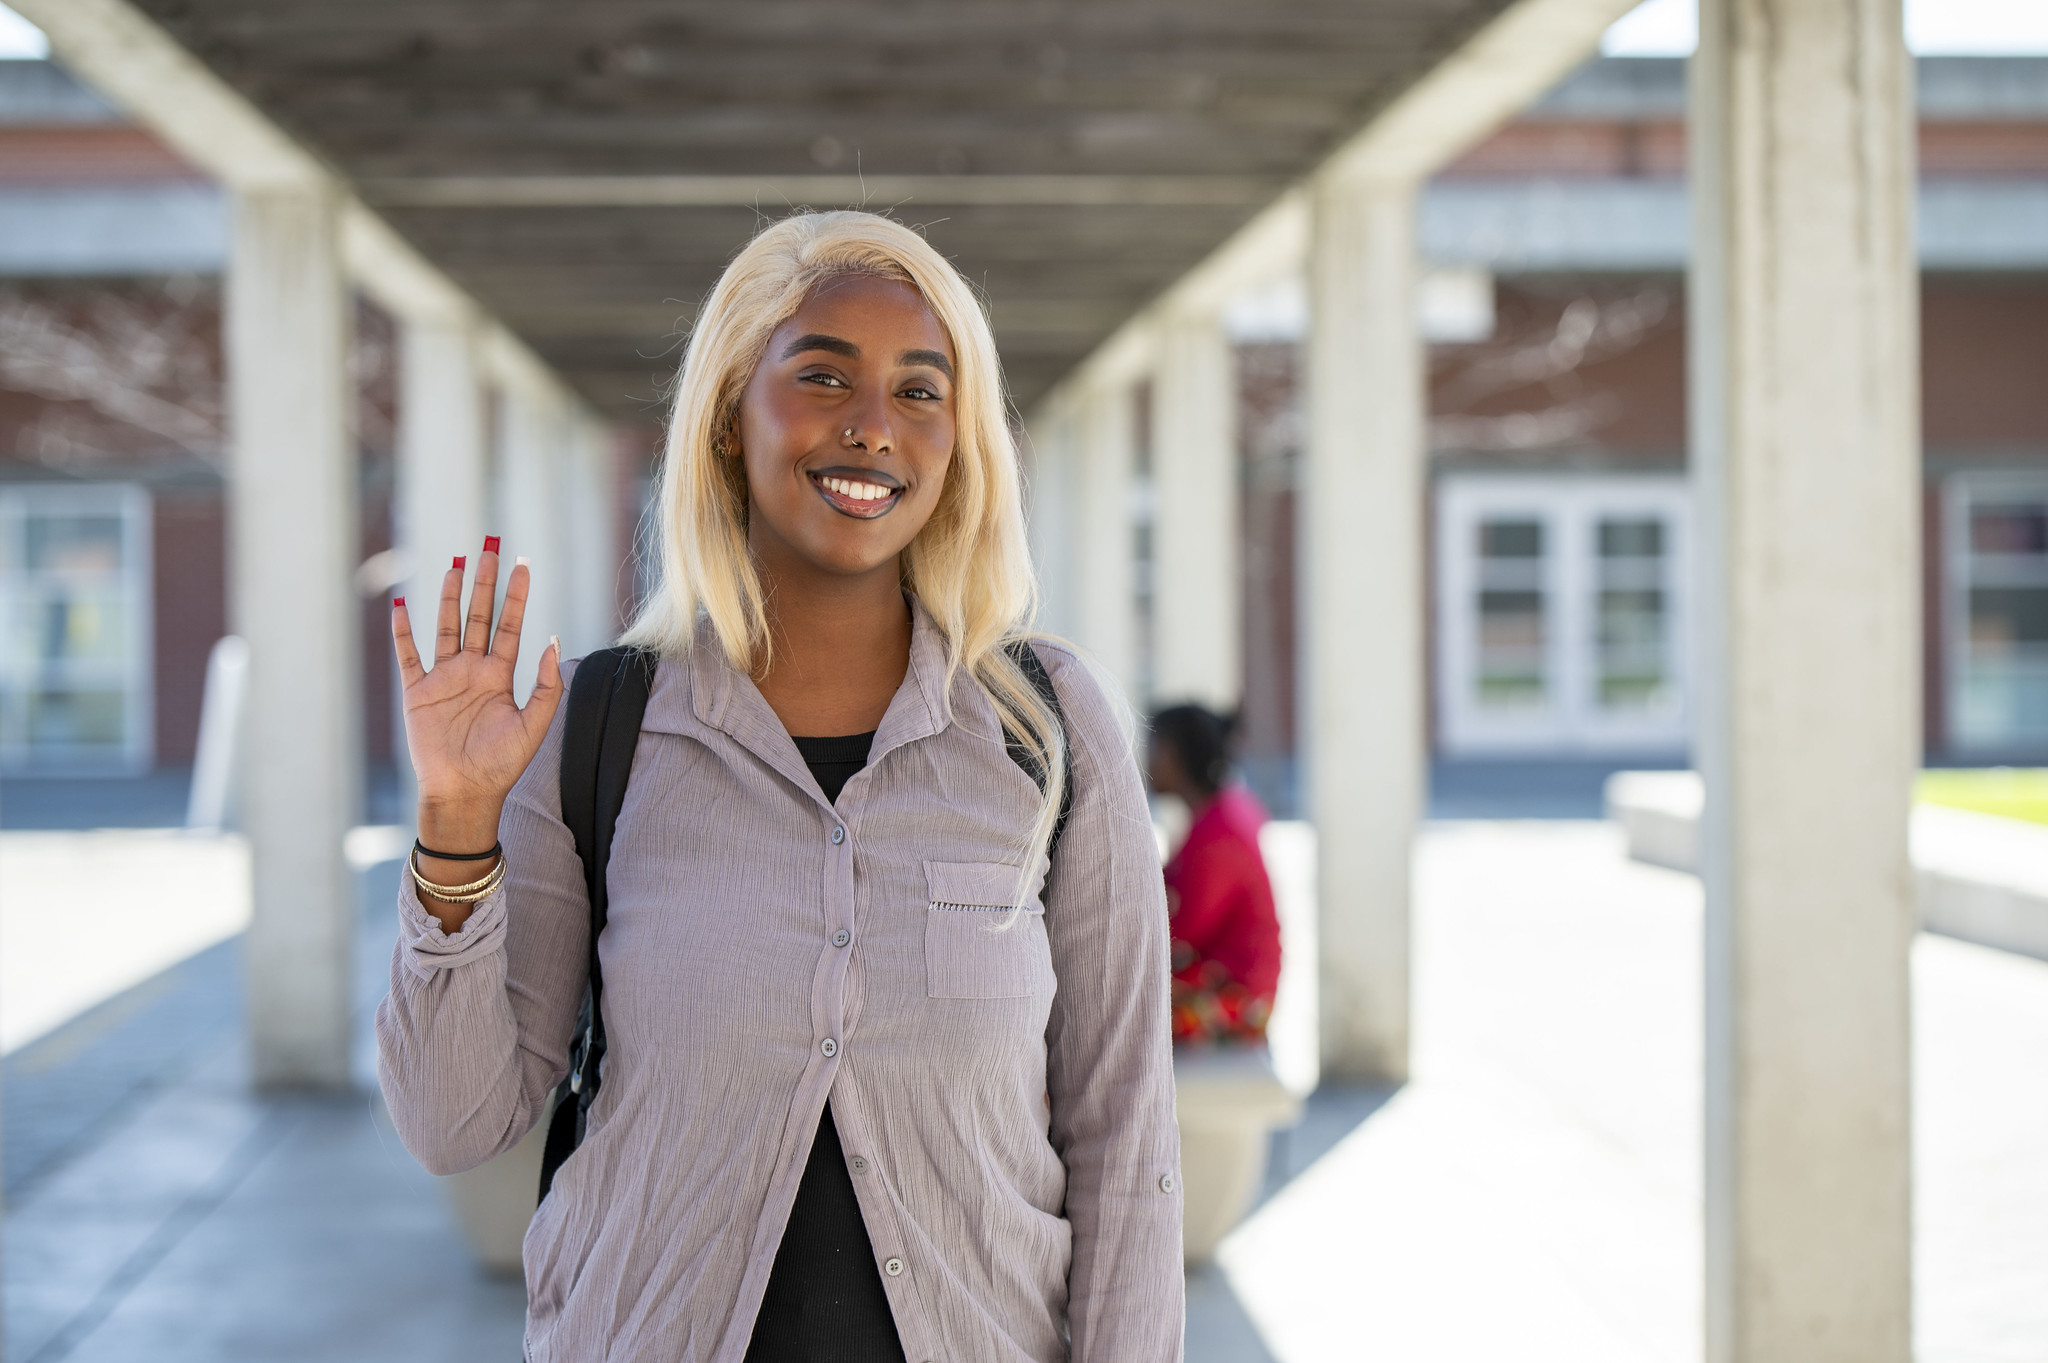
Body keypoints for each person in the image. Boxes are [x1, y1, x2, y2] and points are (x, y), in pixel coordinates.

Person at [376, 211, 1182, 1363]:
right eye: (821, 375)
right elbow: (455, 1122)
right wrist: (456, 826)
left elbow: (1125, 1140)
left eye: (919, 390)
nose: (871, 426)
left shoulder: (1046, 729)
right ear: (724, 417)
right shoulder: (600, 729)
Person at [1146, 706, 1281, 1046]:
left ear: (1173, 754)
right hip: (1229, 982)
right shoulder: (1222, 811)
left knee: (1113, 1017)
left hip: (1239, 998)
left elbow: (1181, 930)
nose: (1144, 760)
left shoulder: (1218, 829)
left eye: (1152, 747)